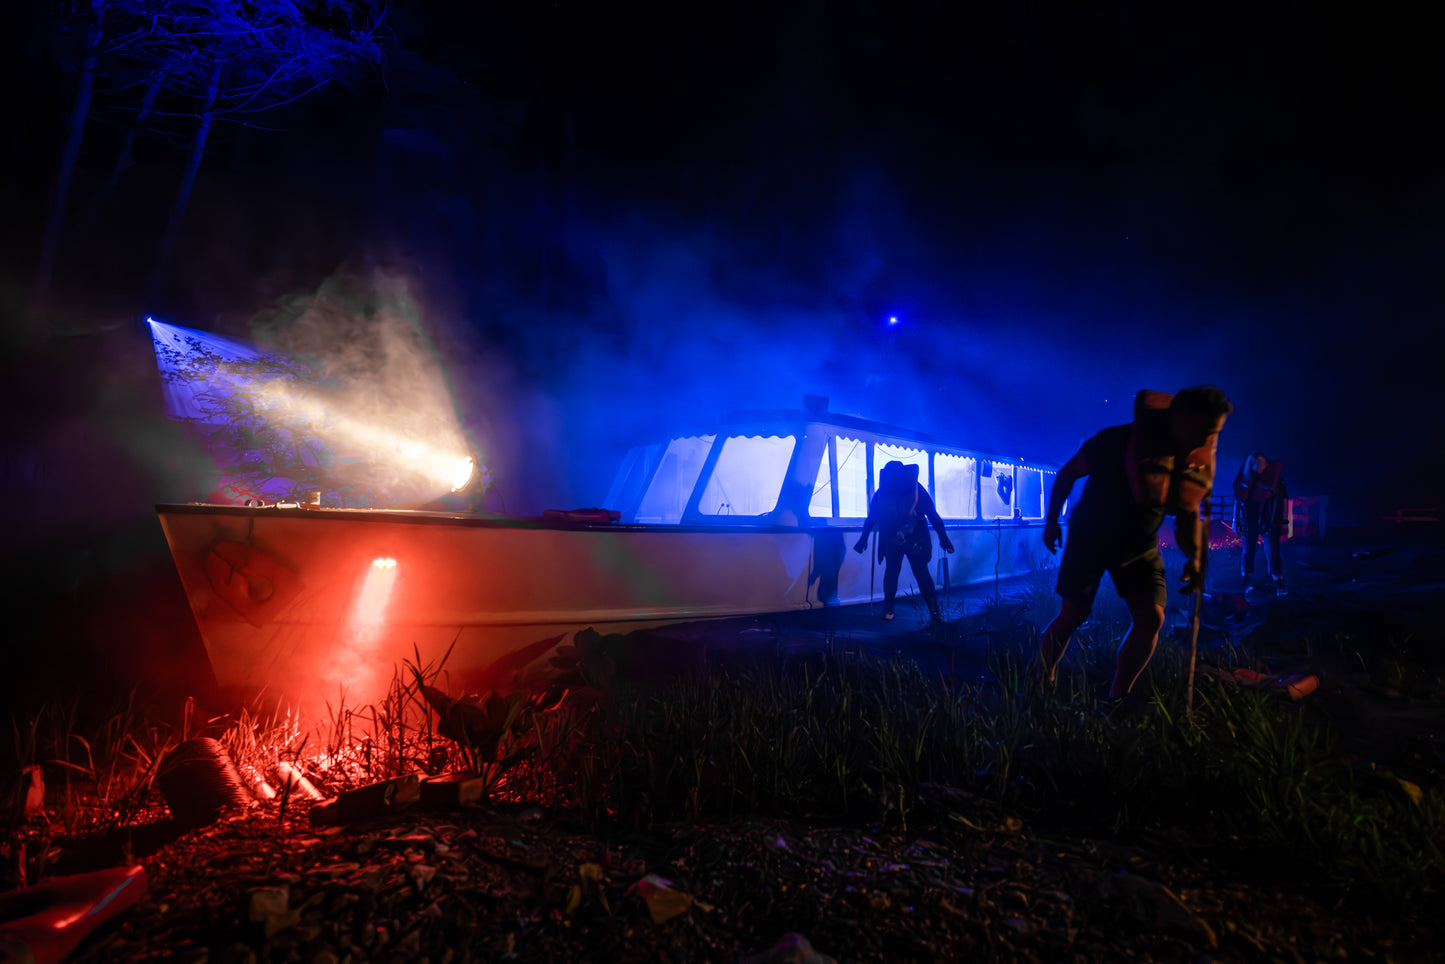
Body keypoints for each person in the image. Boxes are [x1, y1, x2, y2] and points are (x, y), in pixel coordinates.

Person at [1039, 386, 1233, 700]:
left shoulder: (1189, 460)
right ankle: (1042, 680)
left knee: (1151, 619)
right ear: (1180, 417)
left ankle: (1118, 698)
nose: (1203, 440)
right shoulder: (1115, 440)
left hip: (1138, 545)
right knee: (1073, 615)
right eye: (1202, 429)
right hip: (1090, 538)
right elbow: (1068, 473)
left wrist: (1195, 558)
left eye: (1212, 434)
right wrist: (1050, 523)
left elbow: (1187, 513)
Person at [853, 460, 955, 620]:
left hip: (892, 539)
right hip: (916, 540)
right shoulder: (916, 489)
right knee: (922, 573)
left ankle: (888, 611)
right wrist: (944, 538)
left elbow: (871, 518)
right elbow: (933, 515)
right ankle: (934, 612)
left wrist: (863, 539)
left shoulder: (883, 491)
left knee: (891, 573)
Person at [1233, 451, 1287, 592]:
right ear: (1251, 464)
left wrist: (1285, 521)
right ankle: (1246, 582)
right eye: (1256, 463)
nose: (1260, 466)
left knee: (1273, 551)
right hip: (1249, 519)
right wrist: (1235, 521)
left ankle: (1278, 582)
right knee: (1247, 551)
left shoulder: (1275, 479)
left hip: (1269, 518)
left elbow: (1284, 499)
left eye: (1262, 462)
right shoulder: (1245, 479)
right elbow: (1238, 501)